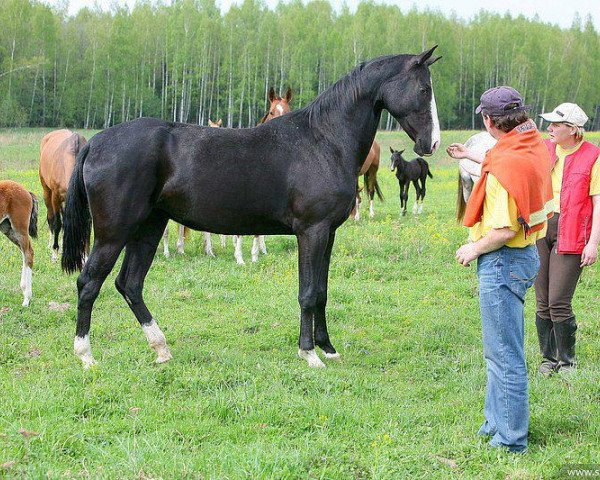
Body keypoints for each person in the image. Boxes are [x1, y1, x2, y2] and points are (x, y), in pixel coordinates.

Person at [449, 86, 554, 453]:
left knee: (504, 356)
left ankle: (510, 440)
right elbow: (502, 158)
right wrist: (471, 154)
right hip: (527, 257)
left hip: (502, 262)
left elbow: (504, 229)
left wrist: (471, 248)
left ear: (488, 120)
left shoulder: (503, 171)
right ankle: (495, 422)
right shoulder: (533, 145)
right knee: (500, 352)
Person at [534, 103, 600, 376]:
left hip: (573, 231)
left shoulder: (593, 156)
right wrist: (470, 156)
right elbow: (511, 167)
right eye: (549, 124)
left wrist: (593, 243)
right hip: (542, 228)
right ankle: (548, 359)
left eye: (556, 125)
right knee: (541, 300)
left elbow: (598, 203)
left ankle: (567, 361)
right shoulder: (545, 149)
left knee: (558, 300)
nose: (549, 128)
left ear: (573, 130)